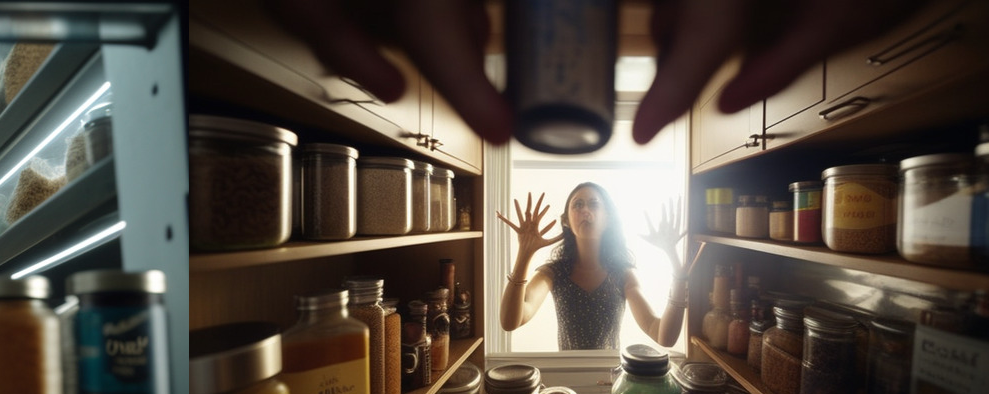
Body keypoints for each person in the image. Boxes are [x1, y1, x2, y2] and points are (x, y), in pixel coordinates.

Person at [259, 0, 917, 147]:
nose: (585, 214)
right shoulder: (550, 265)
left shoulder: (626, 266)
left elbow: (665, 324)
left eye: (589, 205)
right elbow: (513, 318)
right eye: (581, 206)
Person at [498, 184, 688, 350]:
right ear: (566, 220)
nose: (585, 210)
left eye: (594, 204)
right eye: (578, 204)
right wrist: (524, 254)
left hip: (612, 381)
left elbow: (663, 336)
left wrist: (678, 273)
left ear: (608, 218)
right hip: (568, 385)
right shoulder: (553, 272)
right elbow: (511, 321)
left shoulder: (623, 274)